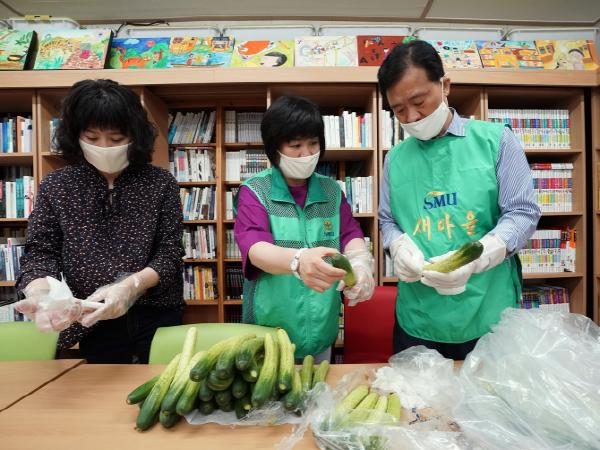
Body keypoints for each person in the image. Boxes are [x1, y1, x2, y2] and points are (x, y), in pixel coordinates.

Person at [378, 40, 541, 360]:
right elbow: (388, 220)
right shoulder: (394, 159)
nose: (412, 117)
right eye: (399, 110)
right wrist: (397, 245)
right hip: (418, 316)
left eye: (419, 101)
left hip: (487, 312)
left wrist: (480, 256)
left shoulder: (496, 141)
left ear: (445, 85)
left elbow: (522, 212)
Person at [15, 79, 184, 364]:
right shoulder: (58, 185)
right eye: (92, 138)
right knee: (101, 385)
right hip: (90, 315)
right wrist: (41, 292)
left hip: (155, 313)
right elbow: (40, 252)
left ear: (135, 136)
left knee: (160, 382)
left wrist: (130, 286)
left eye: (116, 139)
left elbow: (169, 254)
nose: (105, 147)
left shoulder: (159, 183)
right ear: (75, 135)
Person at [234, 95, 375, 363]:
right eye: (295, 145)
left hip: (322, 326)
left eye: (313, 143)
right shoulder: (255, 190)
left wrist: (360, 261)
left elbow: (349, 233)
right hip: (270, 329)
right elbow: (254, 248)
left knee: (317, 383)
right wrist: (297, 261)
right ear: (275, 147)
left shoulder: (331, 191)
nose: (307, 154)